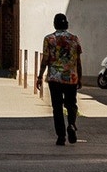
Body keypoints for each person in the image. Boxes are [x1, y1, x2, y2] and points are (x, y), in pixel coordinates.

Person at [35, 12, 84, 145]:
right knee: (71, 104)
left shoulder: (49, 39)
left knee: (57, 107)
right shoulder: (74, 39)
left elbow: (45, 59)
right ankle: (72, 125)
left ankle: (61, 136)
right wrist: (79, 77)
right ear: (66, 24)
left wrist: (40, 76)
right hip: (71, 77)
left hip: (54, 78)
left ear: (54, 24)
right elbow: (78, 60)